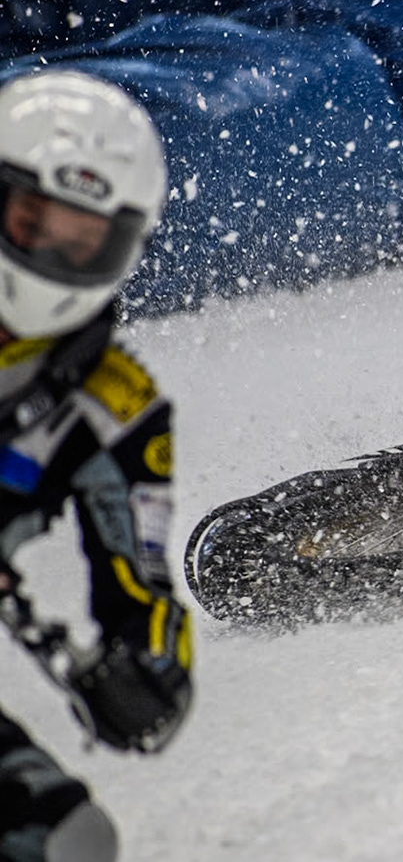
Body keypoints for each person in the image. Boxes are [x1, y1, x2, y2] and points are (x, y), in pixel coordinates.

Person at [0, 71, 192, 862]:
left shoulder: (117, 409)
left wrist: (148, 681)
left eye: (80, 238)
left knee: (68, 842)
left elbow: (141, 593)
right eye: (32, 218)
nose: (50, 246)